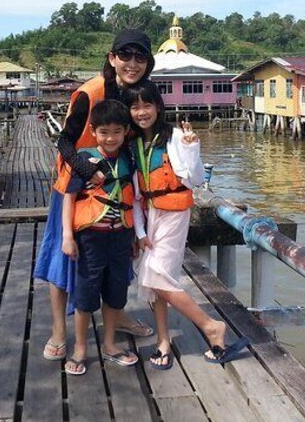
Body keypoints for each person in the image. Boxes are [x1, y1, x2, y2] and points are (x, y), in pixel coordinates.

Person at [34, 29, 155, 362]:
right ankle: (60, 331)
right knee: (64, 259)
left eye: (140, 57)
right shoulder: (91, 92)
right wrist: (86, 171)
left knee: (118, 260)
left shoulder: (139, 95)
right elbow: (64, 142)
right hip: (77, 187)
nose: (132, 63)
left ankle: (120, 317)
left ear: (148, 62)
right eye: (125, 55)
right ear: (112, 57)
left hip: (119, 191)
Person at [123, 80, 250, 369]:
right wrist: (140, 232)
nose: (141, 111)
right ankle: (163, 342)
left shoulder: (176, 136)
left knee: (155, 275)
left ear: (158, 105)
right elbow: (136, 195)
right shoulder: (133, 144)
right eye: (135, 106)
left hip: (174, 213)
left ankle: (210, 326)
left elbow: (195, 180)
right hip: (149, 213)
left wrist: (193, 150)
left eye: (147, 104)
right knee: (158, 280)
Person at [61, 100, 142, 375]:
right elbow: (69, 199)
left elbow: (133, 198)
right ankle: (80, 348)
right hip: (91, 240)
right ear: (93, 131)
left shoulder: (128, 159)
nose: (110, 138)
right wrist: (67, 236)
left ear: (126, 132)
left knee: (116, 293)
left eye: (117, 132)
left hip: (120, 237)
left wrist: (133, 237)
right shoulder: (84, 160)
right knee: (85, 294)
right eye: (104, 132)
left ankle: (110, 344)